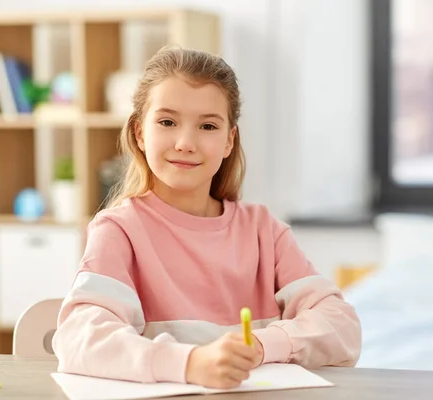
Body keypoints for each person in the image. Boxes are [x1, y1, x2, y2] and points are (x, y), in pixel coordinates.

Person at [51, 46, 361, 389]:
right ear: (140, 132)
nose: (185, 142)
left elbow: (342, 327)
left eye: (208, 126)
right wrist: (190, 363)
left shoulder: (263, 231)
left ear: (229, 140)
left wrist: (259, 346)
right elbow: (79, 338)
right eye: (167, 122)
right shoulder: (119, 231)